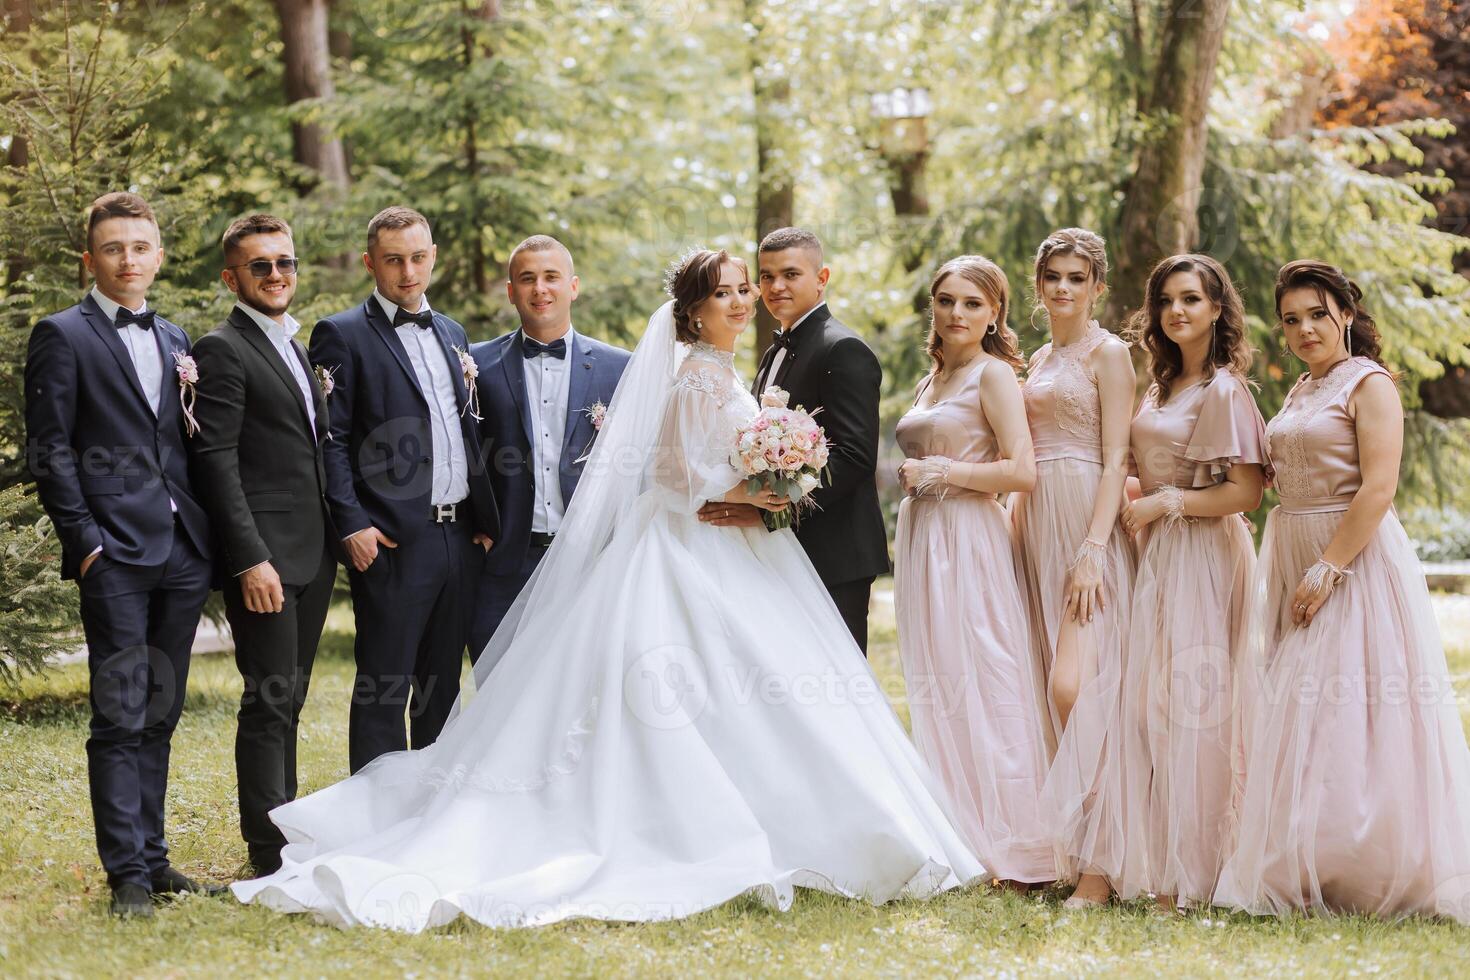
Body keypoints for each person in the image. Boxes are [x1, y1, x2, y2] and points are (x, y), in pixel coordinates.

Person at [231, 249, 982, 930]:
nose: (741, 301)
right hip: (692, 545)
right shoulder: (694, 374)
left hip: (737, 545)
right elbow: (673, 475)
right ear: (692, 309)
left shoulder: (725, 370)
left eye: (744, 290)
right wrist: (761, 489)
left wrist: (772, 483)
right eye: (726, 293)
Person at [1215, 260, 1470, 924]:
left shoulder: (1370, 384)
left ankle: (1370, 860)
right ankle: (1307, 857)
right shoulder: (1300, 390)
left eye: (1317, 315)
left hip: (1350, 556)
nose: (1304, 329)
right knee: (1302, 705)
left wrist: (1328, 568)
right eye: (1292, 319)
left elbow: (1378, 488)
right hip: (1293, 542)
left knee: (1354, 703)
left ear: (1347, 315)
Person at [24, 192, 217, 917]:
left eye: (140, 247)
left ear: (158, 255)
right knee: (121, 710)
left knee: (161, 710)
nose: (128, 259)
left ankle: (158, 860)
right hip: (113, 554)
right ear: (91, 258)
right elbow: (51, 448)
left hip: (181, 548)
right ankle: (126, 877)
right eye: (114, 248)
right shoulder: (62, 334)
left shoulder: (174, 336)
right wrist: (86, 545)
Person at [309, 206, 498, 772]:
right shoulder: (340, 334)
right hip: (391, 540)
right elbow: (331, 440)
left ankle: (431, 815)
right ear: (371, 263)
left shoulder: (452, 332)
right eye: (394, 260)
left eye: (418, 258)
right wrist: (352, 525)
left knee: (442, 687)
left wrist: (482, 522)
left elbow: (466, 428)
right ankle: (374, 816)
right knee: (384, 686)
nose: (408, 272)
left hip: (457, 536)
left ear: (432, 257)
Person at [893, 256, 1056, 888]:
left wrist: (944, 473)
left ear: (994, 314)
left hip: (969, 534)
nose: (956, 314)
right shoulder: (932, 379)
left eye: (971, 303)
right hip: (923, 536)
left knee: (986, 674)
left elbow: (1022, 470)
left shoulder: (992, 376)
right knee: (939, 676)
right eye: (946, 301)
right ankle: (960, 830)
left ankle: (1018, 843)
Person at [1115, 254, 1266, 911]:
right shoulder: (1159, 385)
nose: (1176, 311)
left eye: (1191, 300)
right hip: (1159, 555)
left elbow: (1246, 492)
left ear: (1216, 310)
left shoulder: (1223, 391)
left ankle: (1196, 877)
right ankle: (1164, 864)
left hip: (1203, 554)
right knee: (1156, 709)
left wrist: (1161, 505)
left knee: (1197, 710)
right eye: (1166, 301)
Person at [190, 214, 336, 877]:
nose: (277, 275)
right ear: (232, 277)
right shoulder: (223, 348)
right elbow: (215, 460)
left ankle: (290, 828)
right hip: (267, 560)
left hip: (312, 550)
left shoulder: (290, 345)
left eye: (286, 263)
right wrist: (249, 557)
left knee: (292, 699)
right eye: (261, 266)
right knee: (269, 700)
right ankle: (267, 849)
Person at [1010, 228, 1136, 908]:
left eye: (1076, 277)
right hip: (1040, 521)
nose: (1062, 288)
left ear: (1097, 288)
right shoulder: (1039, 356)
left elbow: (1118, 458)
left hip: (1088, 516)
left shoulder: (1108, 353)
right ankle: (1079, 852)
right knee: (1050, 685)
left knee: (1081, 688)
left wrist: (1094, 546)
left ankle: (1106, 862)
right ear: (1039, 286)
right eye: (1052, 276)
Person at [702, 228, 888, 654]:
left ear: (822, 277)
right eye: (765, 277)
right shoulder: (773, 352)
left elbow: (854, 458)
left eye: (790, 274)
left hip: (834, 552)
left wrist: (772, 512)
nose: (775, 286)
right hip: (784, 552)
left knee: (837, 682)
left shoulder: (843, 350)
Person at [468, 235, 630, 659]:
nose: (540, 289)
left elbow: (636, 466)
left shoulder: (621, 368)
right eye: (527, 279)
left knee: (574, 693)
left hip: (586, 562)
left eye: (551, 277)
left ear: (573, 286)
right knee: (498, 691)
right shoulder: (474, 364)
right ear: (511, 291)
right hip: (502, 565)